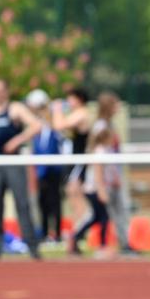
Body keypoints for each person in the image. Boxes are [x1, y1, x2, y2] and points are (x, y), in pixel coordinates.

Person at [0, 78, 42, 260]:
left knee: (22, 204)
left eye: (0, 90)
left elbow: (37, 125)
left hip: (13, 163)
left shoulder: (15, 109)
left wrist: (17, 141)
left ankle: (32, 248)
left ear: (6, 91)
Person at [70, 125, 118, 257]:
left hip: (94, 188)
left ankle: (75, 237)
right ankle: (102, 246)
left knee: (96, 217)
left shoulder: (103, 150)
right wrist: (101, 191)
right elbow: (98, 173)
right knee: (103, 217)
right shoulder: (100, 151)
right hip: (94, 189)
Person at [93, 92, 131, 252]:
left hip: (114, 175)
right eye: (115, 105)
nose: (118, 108)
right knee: (103, 214)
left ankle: (125, 244)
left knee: (120, 211)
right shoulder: (100, 127)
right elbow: (98, 156)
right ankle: (103, 245)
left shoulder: (111, 125)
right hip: (106, 178)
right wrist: (100, 185)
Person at [25, 89, 64, 243]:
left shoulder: (54, 126)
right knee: (42, 202)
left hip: (53, 170)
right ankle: (44, 233)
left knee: (55, 202)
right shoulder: (37, 128)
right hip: (41, 171)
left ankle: (58, 235)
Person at [52, 87, 91, 222]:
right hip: (74, 159)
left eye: (70, 98)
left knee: (75, 191)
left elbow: (59, 125)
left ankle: (82, 227)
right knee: (72, 192)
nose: (68, 101)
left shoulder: (81, 113)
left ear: (79, 99)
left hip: (80, 159)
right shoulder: (77, 113)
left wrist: (57, 110)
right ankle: (79, 227)